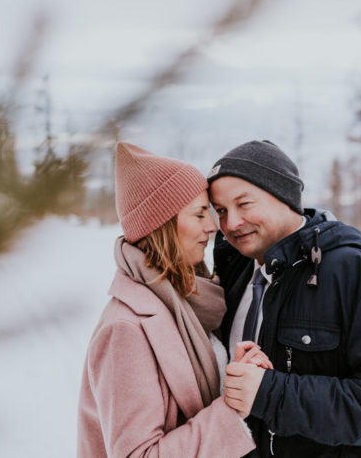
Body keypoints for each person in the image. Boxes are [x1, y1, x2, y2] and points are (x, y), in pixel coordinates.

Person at [209, 140, 361, 458]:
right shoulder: (237, 271)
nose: (231, 223)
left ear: (282, 195)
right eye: (221, 211)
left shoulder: (353, 271)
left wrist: (269, 394)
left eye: (244, 204)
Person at [77, 143, 270, 458]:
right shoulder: (126, 328)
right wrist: (231, 407)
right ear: (162, 225)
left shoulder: (187, 305)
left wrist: (234, 375)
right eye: (198, 214)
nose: (212, 226)